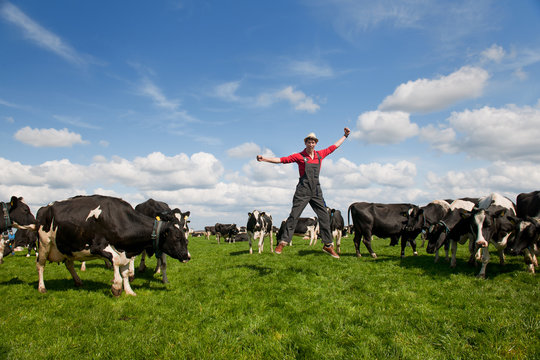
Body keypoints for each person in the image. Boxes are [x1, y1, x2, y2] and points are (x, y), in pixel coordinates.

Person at [256, 127, 351, 258]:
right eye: (309, 142)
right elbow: (282, 160)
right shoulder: (299, 156)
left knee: (324, 216)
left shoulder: (320, 154)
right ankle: (283, 242)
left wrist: (345, 136)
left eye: (313, 142)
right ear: (305, 143)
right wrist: (264, 159)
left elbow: (334, 146)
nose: (311, 144)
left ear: (316, 143)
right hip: (303, 190)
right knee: (294, 215)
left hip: (316, 190)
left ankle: (327, 245)